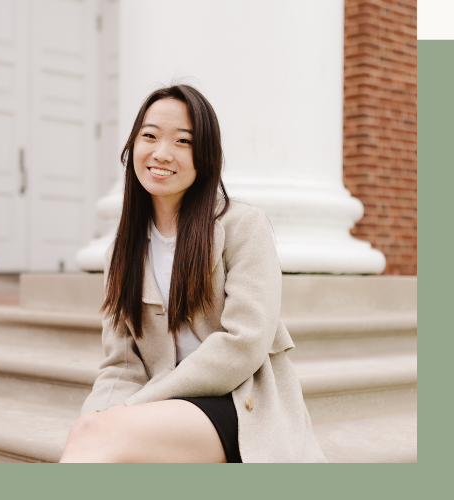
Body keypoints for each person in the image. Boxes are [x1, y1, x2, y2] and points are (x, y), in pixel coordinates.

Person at [60, 84, 327, 463]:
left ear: (204, 156)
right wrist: (99, 414)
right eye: (149, 136)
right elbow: (121, 364)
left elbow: (244, 344)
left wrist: (133, 407)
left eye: (182, 142)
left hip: (238, 403)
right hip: (166, 407)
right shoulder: (120, 252)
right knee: (89, 430)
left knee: (101, 437)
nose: (161, 153)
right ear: (132, 147)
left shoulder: (243, 226)